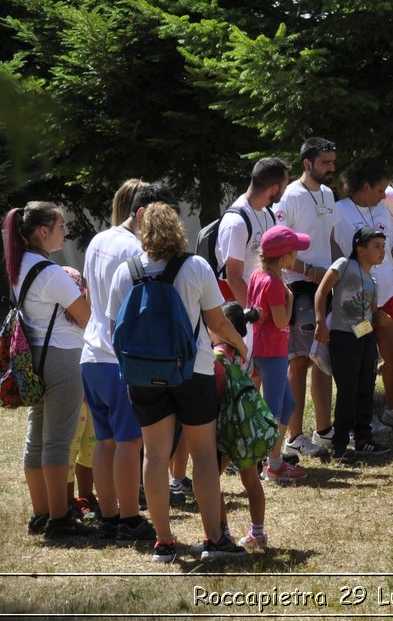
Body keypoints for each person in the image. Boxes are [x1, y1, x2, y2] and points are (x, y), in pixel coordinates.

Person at [105, 201, 250, 562]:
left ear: (143, 233)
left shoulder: (126, 272)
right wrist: (239, 344)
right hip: (193, 371)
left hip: (142, 376)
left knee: (154, 456)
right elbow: (217, 323)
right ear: (178, 229)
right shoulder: (195, 266)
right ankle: (215, 540)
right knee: (202, 454)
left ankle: (164, 542)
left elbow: (114, 329)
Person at [4, 201, 91, 540]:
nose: (64, 232)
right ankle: (60, 519)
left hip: (33, 358)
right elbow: (86, 318)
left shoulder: (19, 266)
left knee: (37, 437)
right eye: (60, 226)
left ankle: (41, 513)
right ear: (43, 231)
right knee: (57, 440)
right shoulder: (52, 273)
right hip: (63, 360)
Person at [77, 180, 157, 545]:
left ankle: (109, 518)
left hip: (92, 354)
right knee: (129, 444)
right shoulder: (134, 249)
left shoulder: (98, 239)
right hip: (117, 357)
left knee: (105, 442)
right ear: (140, 214)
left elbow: (92, 294)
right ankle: (129, 518)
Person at [333, 159, 393, 429]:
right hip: (359, 303)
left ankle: (392, 409)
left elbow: (390, 248)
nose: (384, 196)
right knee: (362, 362)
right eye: (380, 190)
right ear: (365, 186)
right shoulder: (339, 211)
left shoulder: (381, 210)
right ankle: (360, 419)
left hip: (388, 295)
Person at [277, 137, 339, 457]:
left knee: (323, 360)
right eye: (325, 162)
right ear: (307, 164)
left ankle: (324, 429)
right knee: (299, 362)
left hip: (325, 287)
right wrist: (308, 270)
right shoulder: (290, 197)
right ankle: (294, 436)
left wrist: (340, 271)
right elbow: (275, 247)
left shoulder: (328, 193)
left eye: (332, 161)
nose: (331, 167)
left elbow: (329, 240)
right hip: (300, 288)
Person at [315, 225, 392, 458]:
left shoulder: (373, 281)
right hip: (343, 336)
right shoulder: (343, 265)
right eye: (376, 247)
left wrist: (381, 318)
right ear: (360, 249)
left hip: (365, 336)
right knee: (347, 389)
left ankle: (363, 439)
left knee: (366, 387)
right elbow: (321, 292)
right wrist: (320, 322)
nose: (382, 252)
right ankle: (339, 444)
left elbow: (371, 311)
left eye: (383, 247)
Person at [246, 225, 305, 484]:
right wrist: (290, 299)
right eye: (294, 252)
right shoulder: (272, 282)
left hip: (263, 350)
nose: (297, 257)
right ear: (283, 257)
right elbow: (281, 322)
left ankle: (273, 460)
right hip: (273, 352)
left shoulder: (259, 275)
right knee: (275, 409)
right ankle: (272, 465)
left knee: (287, 404)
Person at [215, 302, 271, 548]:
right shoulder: (241, 353)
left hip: (223, 428)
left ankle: (222, 533)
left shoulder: (216, 356)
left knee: (208, 480)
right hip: (243, 426)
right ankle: (257, 533)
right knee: (250, 479)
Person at [216, 157, 287, 288]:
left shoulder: (269, 214)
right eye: (285, 186)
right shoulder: (236, 223)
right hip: (240, 304)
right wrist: (252, 309)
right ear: (275, 188)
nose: (285, 190)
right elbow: (233, 278)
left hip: (262, 301)